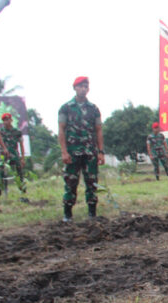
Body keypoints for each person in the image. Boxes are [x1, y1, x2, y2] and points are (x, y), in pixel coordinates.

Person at [58, 76, 104, 221]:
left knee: (92, 182)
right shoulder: (65, 108)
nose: (83, 89)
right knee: (71, 182)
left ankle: (92, 213)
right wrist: (64, 152)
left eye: (85, 86)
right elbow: (61, 129)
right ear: (75, 88)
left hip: (90, 152)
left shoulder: (94, 109)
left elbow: (98, 130)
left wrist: (101, 151)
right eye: (80, 86)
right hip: (72, 152)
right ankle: (67, 214)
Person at [0, 113, 27, 193]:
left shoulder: (17, 131)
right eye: (4, 120)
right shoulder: (0, 132)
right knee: (2, 172)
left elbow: (21, 145)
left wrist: (22, 158)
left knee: (19, 172)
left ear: (11, 120)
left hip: (14, 154)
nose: (6, 122)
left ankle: (22, 189)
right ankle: (3, 190)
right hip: (4, 155)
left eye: (7, 119)